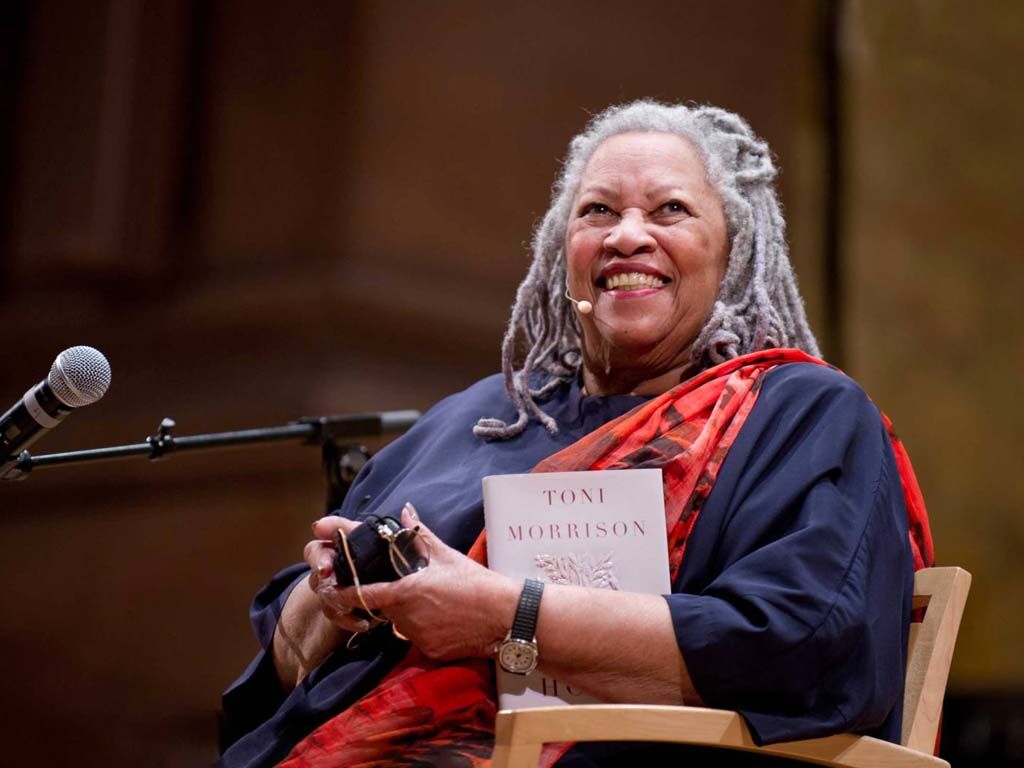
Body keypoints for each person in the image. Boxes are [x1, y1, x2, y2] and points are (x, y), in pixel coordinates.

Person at [218, 100, 933, 768]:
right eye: (598, 211)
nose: (626, 235)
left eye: (670, 210)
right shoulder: (475, 419)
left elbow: (803, 646)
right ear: (564, 254)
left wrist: (509, 617)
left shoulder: (799, 415)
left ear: (734, 253)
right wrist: (333, 600)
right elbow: (281, 671)